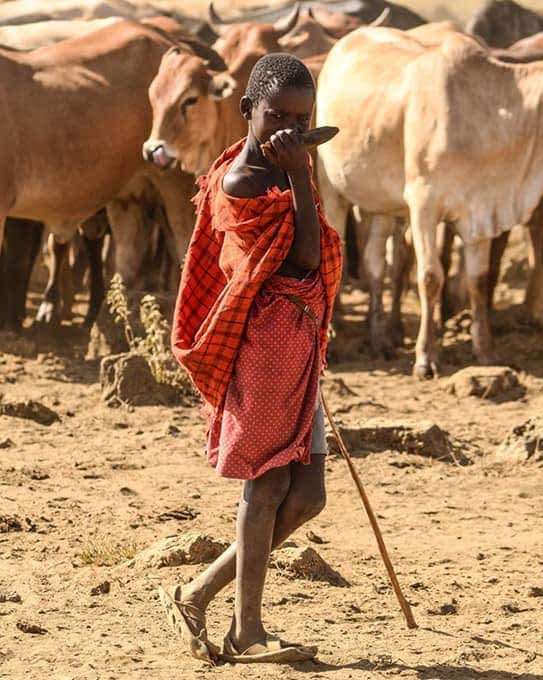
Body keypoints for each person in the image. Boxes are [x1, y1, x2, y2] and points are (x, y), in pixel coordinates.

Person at [158, 52, 343, 665]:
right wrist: (297, 177)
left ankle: (196, 591)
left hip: (302, 343)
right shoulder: (245, 182)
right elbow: (304, 261)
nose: (290, 128)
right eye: (276, 115)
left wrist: (297, 171)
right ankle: (249, 630)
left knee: (308, 495)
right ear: (246, 110)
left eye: (301, 117)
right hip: (267, 349)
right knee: (265, 486)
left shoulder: (291, 164)